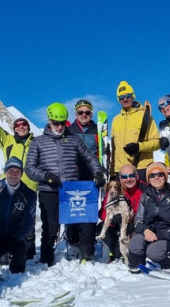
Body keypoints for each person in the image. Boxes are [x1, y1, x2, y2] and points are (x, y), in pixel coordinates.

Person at [25, 103, 106, 266]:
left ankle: (87, 254)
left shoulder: (73, 139)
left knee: (83, 221)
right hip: (49, 189)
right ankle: (46, 259)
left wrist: (98, 172)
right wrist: (47, 176)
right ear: (49, 120)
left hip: (71, 188)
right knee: (50, 225)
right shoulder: (38, 142)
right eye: (56, 122)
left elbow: (90, 158)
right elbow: (29, 169)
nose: (59, 126)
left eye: (62, 122)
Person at [0, 85, 38, 261]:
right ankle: (3, 251)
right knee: (7, 218)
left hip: (29, 186)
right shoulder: (7, 140)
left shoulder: (36, 143)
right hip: (9, 186)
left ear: (29, 127)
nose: (21, 127)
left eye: (24, 124)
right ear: (14, 128)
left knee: (27, 219)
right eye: (17, 125)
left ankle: (27, 253)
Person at [0, 157, 37, 280]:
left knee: (19, 266)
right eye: (10, 171)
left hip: (15, 237)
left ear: (21, 174)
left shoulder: (28, 194)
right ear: (5, 172)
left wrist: (17, 238)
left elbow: (29, 221)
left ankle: (15, 278)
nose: (13, 175)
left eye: (17, 172)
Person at [127, 163, 170, 271]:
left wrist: (159, 235)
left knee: (153, 252)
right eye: (152, 175)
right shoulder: (145, 197)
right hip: (150, 234)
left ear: (165, 177)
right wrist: (145, 231)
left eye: (160, 174)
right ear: (148, 179)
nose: (156, 178)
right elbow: (138, 220)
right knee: (136, 242)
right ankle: (137, 264)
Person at [66, 99, 100, 260]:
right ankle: (73, 243)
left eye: (87, 112)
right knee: (72, 211)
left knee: (89, 212)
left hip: (91, 175)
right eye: (81, 112)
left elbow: (102, 153)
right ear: (76, 114)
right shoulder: (69, 130)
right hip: (72, 175)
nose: (84, 115)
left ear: (91, 113)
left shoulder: (97, 129)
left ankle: (88, 246)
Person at [111, 81, 161, 182]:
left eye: (128, 95)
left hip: (141, 168)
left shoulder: (145, 116)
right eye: (121, 97)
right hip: (120, 171)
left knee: (142, 198)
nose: (125, 99)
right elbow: (114, 149)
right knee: (122, 198)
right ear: (118, 100)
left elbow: (157, 143)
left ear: (133, 96)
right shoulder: (116, 120)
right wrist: (112, 173)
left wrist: (139, 147)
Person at [100, 163, 146, 263]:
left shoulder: (144, 189)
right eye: (124, 177)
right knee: (101, 227)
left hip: (135, 226)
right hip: (117, 226)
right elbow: (103, 212)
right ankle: (114, 251)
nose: (128, 179)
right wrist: (112, 219)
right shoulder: (114, 189)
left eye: (131, 175)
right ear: (120, 178)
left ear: (137, 176)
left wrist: (132, 223)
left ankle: (132, 253)